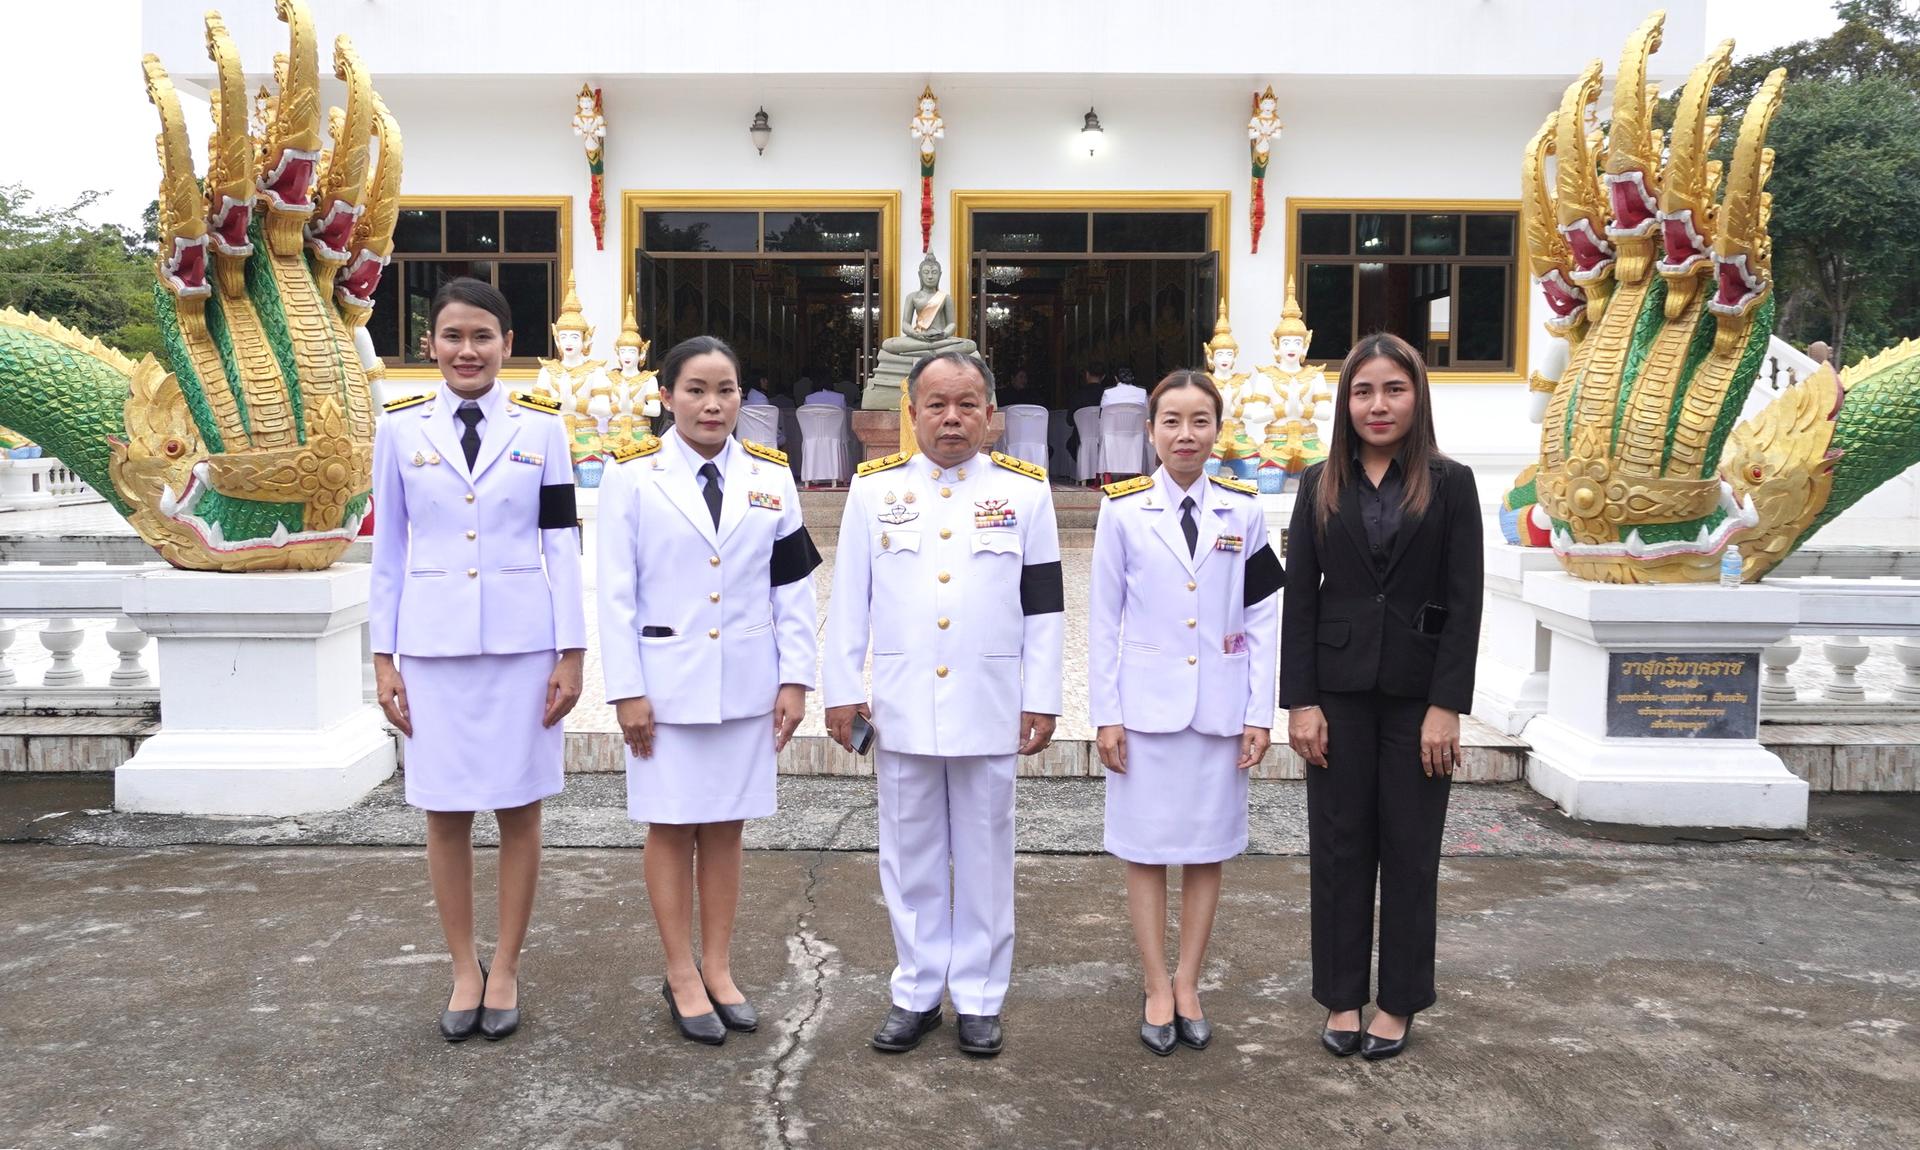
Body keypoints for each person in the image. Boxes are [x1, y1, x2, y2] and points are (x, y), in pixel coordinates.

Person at [823, 350, 1064, 1058]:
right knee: (910, 854)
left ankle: (982, 998)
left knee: (987, 855)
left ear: (991, 415)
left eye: (966, 404)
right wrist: (842, 690)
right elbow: (850, 600)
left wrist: (1042, 696)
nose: (952, 418)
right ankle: (917, 991)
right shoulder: (874, 491)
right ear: (912, 412)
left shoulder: (1025, 493)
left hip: (990, 700)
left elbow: (1044, 606)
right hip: (902, 702)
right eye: (936, 404)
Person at [370, 276, 585, 1043]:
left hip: (524, 650)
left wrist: (573, 652)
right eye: (453, 336)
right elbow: (389, 550)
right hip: (432, 649)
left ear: (508, 347)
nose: (468, 350)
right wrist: (383, 657)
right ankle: (465, 966)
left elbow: (562, 543)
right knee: (446, 813)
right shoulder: (397, 430)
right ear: (430, 344)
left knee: (521, 809)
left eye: (483, 337)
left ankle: (511, 964)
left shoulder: (542, 431)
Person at [597, 335, 821, 1046]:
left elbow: (793, 587)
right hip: (663, 690)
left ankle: (719, 968)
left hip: (747, 686)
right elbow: (614, 596)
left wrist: (795, 677)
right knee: (671, 826)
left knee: (727, 827)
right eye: (695, 389)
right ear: (666, 396)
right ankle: (680, 972)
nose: (712, 403)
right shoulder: (631, 477)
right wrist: (626, 691)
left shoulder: (771, 478)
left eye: (725, 389)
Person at [1280, 332, 1483, 1062]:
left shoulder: (1450, 483)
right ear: (1346, 402)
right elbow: (1300, 598)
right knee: (1338, 848)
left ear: (1416, 396)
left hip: (1417, 697)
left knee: (1409, 849)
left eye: (1393, 389)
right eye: (1363, 391)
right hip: (1335, 697)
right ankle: (1341, 995)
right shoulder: (1317, 483)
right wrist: (1300, 701)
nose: (1377, 404)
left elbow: (1466, 599)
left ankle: (1398, 1000)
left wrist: (1446, 704)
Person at [1089, 369, 1282, 1057]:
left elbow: (1263, 617)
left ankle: (1190, 982)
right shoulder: (1121, 511)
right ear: (1150, 431)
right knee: (1145, 853)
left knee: (1206, 852)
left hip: (1220, 712)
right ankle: (1154, 985)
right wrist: (1105, 715)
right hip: (1144, 713)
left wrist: (1260, 713)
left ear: (1217, 430)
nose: (1186, 434)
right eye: (1171, 421)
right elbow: (1103, 620)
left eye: (1200, 421)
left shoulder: (1245, 511)